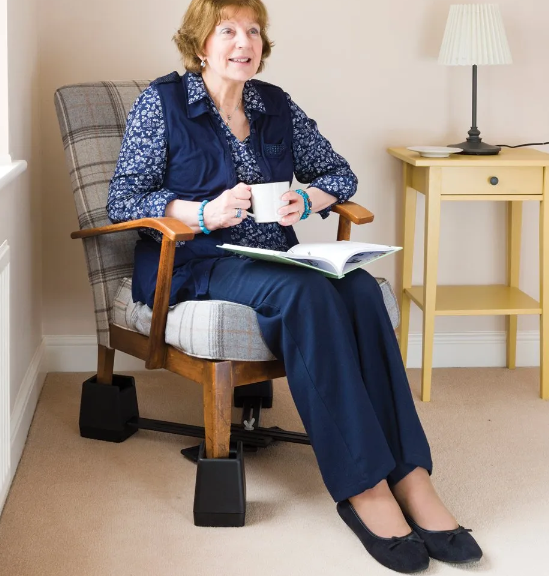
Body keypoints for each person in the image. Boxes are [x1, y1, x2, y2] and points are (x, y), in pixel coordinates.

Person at [107, 0, 483, 572]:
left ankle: (410, 474)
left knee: (358, 288)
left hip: (275, 258)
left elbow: (339, 174)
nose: (244, 42)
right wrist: (202, 213)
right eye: (227, 30)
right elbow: (123, 200)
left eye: (253, 30)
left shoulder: (274, 104)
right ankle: (365, 488)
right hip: (197, 260)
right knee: (306, 294)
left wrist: (306, 199)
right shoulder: (162, 104)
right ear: (200, 43)